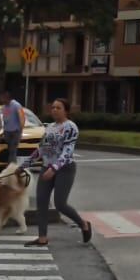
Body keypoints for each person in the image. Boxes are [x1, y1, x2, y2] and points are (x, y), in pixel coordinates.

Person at [24, 98, 91, 246]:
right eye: (53, 107)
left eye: (58, 108)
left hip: (64, 169)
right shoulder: (49, 128)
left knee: (60, 204)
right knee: (41, 202)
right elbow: (41, 150)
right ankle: (42, 238)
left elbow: (67, 152)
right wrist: (23, 165)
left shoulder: (70, 127)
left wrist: (54, 169)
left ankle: (84, 224)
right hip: (46, 167)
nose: (54, 110)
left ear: (66, 111)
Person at [0, 90, 25, 166]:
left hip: (15, 131)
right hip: (7, 131)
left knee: (13, 150)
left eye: (2, 98)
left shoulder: (16, 105)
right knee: (10, 150)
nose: (1, 100)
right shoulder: (4, 107)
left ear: (6, 98)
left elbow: (22, 117)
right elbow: (5, 118)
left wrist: (20, 130)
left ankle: (12, 167)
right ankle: (10, 165)